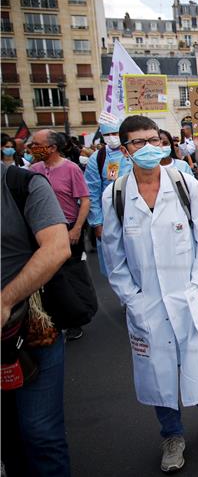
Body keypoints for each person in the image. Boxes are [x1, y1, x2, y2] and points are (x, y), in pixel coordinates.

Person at [102, 115, 198, 473]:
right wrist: (133, 299)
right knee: (159, 373)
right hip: (148, 303)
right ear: (125, 150)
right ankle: (172, 435)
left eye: (154, 140)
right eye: (138, 143)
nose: (148, 148)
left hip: (188, 296)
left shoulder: (184, 184)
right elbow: (114, 260)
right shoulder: (115, 195)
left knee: (196, 360)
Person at [1, 163, 72, 477]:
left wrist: (4, 302)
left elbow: (57, 247)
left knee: (40, 431)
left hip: (28, 330)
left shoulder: (22, 184)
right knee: (8, 438)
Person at [29, 129, 91, 341]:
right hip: (42, 230)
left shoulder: (71, 169)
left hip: (68, 228)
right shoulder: (33, 169)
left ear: (52, 148)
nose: (32, 149)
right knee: (48, 277)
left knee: (71, 275)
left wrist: (76, 229)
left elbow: (85, 200)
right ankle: (55, 319)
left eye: (36, 144)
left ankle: (76, 318)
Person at [84, 115, 133, 276]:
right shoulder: (97, 159)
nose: (112, 138)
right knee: (116, 266)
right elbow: (92, 193)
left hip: (135, 214)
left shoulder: (134, 153)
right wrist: (97, 224)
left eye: (115, 133)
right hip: (110, 218)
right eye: (107, 135)